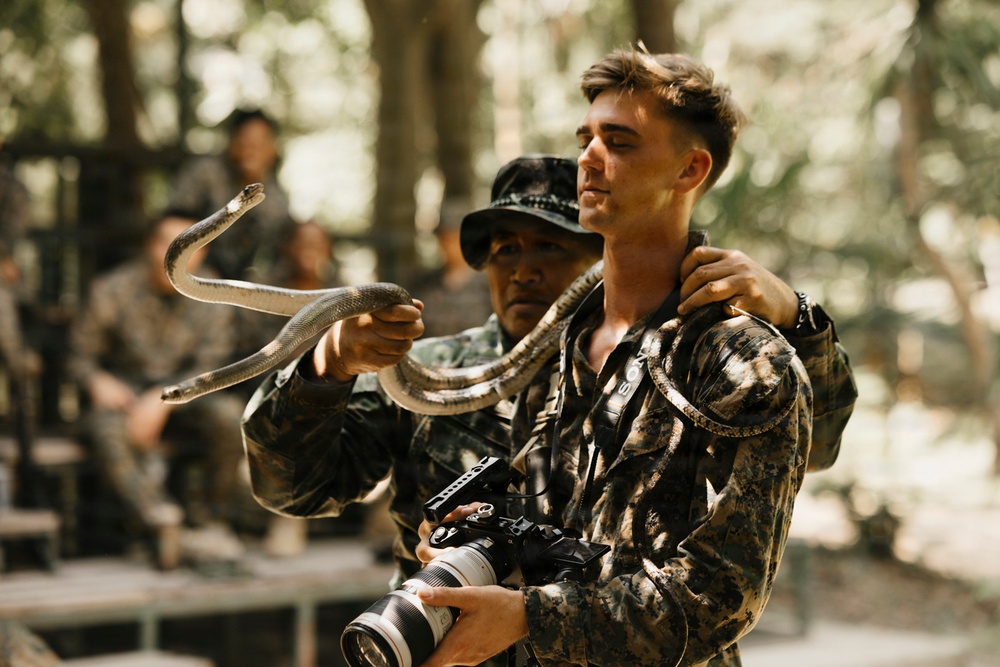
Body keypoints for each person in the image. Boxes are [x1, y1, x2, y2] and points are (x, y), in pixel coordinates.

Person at [408, 48, 857, 667]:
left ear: (689, 169)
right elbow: (558, 524)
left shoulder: (744, 363)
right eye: (586, 137)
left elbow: (719, 597)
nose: (588, 158)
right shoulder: (557, 341)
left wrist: (529, 618)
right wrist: (486, 534)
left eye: (619, 142)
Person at [241, 152, 854, 599]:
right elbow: (294, 490)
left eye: (551, 247)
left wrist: (798, 320)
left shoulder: (678, 364)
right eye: (504, 250)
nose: (523, 271)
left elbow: (815, 448)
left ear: (601, 258)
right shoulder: (434, 374)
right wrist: (326, 367)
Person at [68, 210, 247, 569]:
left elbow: (213, 367)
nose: (178, 253)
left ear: (205, 252)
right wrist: (96, 380)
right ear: (149, 247)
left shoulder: (217, 294)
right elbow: (78, 358)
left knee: (230, 417)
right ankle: (161, 520)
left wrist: (164, 401)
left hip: (187, 397)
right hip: (125, 397)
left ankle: (211, 520)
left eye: (191, 245)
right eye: (167, 243)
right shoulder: (112, 289)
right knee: (104, 427)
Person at [167, 108, 295, 280]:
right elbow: (173, 222)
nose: (251, 150)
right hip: (193, 269)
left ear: (273, 150)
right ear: (232, 143)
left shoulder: (277, 200)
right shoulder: (204, 174)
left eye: (259, 143)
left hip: (245, 280)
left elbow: (278, 252)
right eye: (245, 141)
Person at [414, 197, 494, 338]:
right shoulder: (424, 283)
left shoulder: (490, 284)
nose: (449, 245)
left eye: (455, 237)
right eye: (444, 237)